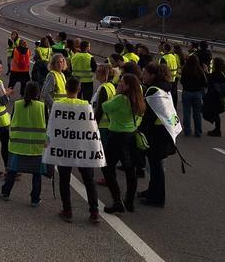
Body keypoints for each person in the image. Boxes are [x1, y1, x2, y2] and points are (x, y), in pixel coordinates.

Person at [55, 77, 102, 224]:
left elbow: (54, 127)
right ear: (79, 89)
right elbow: (91, 128)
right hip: (82, 147)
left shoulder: (58, 105)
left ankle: (67, 211)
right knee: (89, 180)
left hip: (65, 147)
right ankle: (94, 212)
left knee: (64, 179)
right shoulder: (85, 106)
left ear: (65, 89)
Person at [101, 73, 145, 213]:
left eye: (122, 82)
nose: (119, 83)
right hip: (131, 136)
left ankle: (117, 200)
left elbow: (105, 107)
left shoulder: (120, 99)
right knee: (130, 170)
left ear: (127, 86)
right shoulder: (138, 100)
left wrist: (117, 94)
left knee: (107, 168)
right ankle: (129, 201)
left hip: (117, 136)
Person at [0, 82, 46, 205]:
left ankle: (5, 192)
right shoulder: (42, 106)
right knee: (37, 174)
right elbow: (46, 124)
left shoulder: (18, 104)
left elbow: (13, 119)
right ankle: (35, 199)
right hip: (36, 146)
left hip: (18, 145)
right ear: (38, 93)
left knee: (12, 171)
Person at [138, 63, 177, 207]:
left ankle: (158, 198)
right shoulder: (164, 87)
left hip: (157, 133)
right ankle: (152, 191)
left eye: (145, 73)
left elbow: (149, 113)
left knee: (156, 166)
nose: (143, 75)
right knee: (155, 165)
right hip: (164, 131)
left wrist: (140, 128)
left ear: (153, 75)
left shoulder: (153, 90)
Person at [180, 55, 207, 137]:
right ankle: (198, 131)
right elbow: (205, 83)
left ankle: (187, 130)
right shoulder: (200, 70)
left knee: (187, 112)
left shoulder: (185, 69)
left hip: (187, 92)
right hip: (197, 93)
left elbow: (182, 81)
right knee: (197, 113)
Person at [203, 57, 225, 137]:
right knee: (215, 113)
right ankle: (217, 129)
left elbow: (209, 81)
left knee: (209, 112)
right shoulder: (222, 73)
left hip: (215, 97)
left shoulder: (216, 74)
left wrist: (206, 72)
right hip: (219, 97)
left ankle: (217, 130)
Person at [159, 42, 181, 108]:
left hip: (166, 79)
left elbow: (162, 70)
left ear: (164, 48)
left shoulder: (163, 58)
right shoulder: (173, 56)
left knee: (166, 98)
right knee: (173, 96)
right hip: (174, 79)